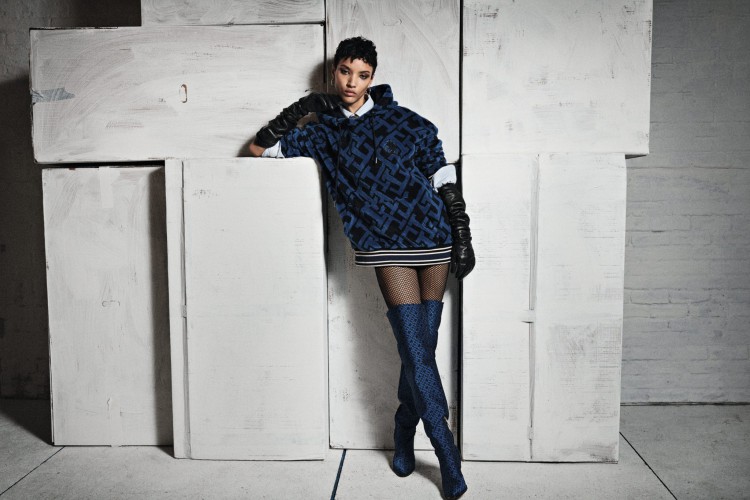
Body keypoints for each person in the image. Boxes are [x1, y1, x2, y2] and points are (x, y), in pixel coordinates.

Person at [249, 36, 474, 500]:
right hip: (384, 244)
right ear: (334, 72)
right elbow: (258, 150)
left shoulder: (407, 121)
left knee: (421, 348)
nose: (352, 82)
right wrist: (300, 110)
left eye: (363, 74)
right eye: (345, 71)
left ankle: (403, 431)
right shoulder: (323, 132)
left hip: (433, 238)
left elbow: (441, 173)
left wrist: (462, 231)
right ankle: (447, 458)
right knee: (416, 349)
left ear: (373, 77)